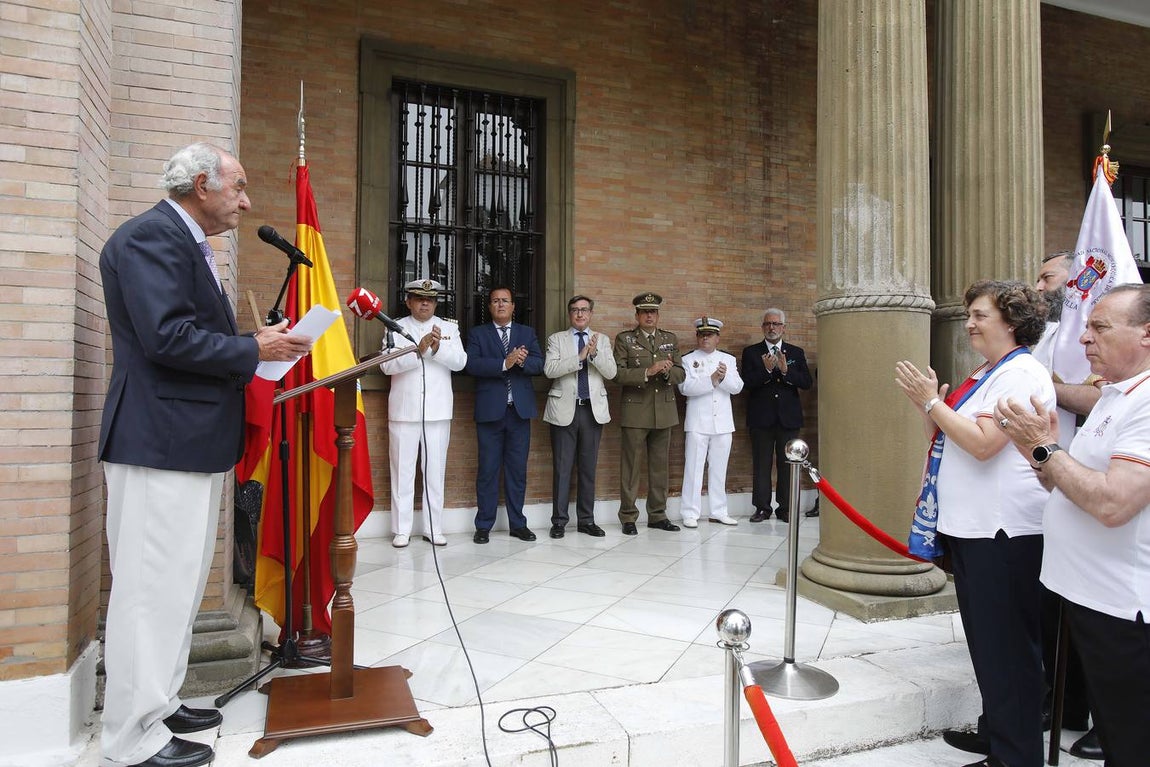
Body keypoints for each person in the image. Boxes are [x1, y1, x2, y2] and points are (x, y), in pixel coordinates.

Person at [98, 143, 313, 767]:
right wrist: (253, 350)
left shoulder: (185, 241)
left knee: (178, 588)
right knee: (149, 593)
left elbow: (191, 335)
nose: (245, 202)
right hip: (158, 441)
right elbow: (166, 338)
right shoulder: (152, 237)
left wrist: (254, 344)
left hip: (185, 441)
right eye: (238, 187)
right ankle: (132, 737)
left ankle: (161, 704)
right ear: (201, 184)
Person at [896, 280, 1055, 767]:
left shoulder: (1020, 374)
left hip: (1002, 530)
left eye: (979, 315)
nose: (969, 324)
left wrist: (932, 403)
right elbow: (950, 436)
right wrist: (929, 407)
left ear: (1012, 322)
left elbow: (985, 445)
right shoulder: (988, 372)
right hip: (974, 527)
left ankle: (1015, 756)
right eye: (969, 315)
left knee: (1008, 648)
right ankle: (997, 735)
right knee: (990, 646)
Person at [996, 284, 1150, 767]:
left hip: (1123, 607)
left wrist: (1046, 450)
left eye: (1099, 327)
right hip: (1084, 594)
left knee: (1132, 744)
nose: (1084, 338)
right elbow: (1066, 484)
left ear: (1147, 334)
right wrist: (1039, 452)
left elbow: (1112, 504)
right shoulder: (1112, 395)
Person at [1030, 250, 1104, 760]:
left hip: (1094, 485)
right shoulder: (1050, 334)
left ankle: (1108, 715)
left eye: (1047, 277)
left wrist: (1047, 388)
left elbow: (1098, 397)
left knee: (1102, 619)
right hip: (1056, 484)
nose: (1039, 286)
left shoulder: (1102, 342)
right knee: (1059, 610)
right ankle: (1066, 703)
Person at [379, 279, 467, 548]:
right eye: (419, 299)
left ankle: (433, 527)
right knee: (402, 473)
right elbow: (386, 366)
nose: (425, 303)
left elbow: (461, 362)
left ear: (436, 303)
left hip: (437, 412)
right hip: (404, 411)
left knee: (434, 473)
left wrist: (437, 348)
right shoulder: (395, 327)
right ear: (409, 302)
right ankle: (401, 530)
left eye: (430, 299)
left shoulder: (449, 328)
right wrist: (417, 350)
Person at [466, 287, 543, 543]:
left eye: (505, 301)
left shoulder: (526, 333)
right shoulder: (478, 334)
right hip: (490, 413)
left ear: (513, 306)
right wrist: (504, 363)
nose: (500, 305)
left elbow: (539, 364)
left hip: (519, 413)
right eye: (495, 301)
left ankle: (518, 524)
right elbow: (471, 364)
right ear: (489, 306)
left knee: (517, 471)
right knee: (487, 471)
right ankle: (483, 525)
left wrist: (521, 361)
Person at [543, 295, 617, 538]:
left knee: (588, 468)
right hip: (564, 410)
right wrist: (579, 357)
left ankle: (586, 520)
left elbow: (611, 372)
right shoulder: (556, 339)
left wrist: (594, 355)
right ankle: (559, 522)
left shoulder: (602, 340)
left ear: (591, 314)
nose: (580, 314)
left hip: (592, 411)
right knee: (562, 468)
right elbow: (549, 369)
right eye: (575, 310)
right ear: (569, 314)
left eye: (584, 310)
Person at [613, 292, 686, 535]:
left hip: (664, 410)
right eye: (644, 312)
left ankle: (657, 515)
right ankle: (628, 517)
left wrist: (666, 373)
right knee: (631, 468)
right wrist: (648, 371)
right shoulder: (625, 339)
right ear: (637, 315)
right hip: (635, 411)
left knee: (660, 467)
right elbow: (617, 374)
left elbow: (681, 373)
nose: (649, 316)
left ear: (658, 315)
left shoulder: (669, 339)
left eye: (653, 312)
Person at [742, 309, 812, 522]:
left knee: (788, 465)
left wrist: (785, 371)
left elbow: (806, 382)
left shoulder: (796, 352)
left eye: (775, 324)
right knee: (761, 465)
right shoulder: (751, 352)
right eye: (767, 324)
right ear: (762, 327)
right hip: (761, 418)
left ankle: (786, 508)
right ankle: (762, 508)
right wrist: (765, 371)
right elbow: (746, 383)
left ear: (783, 327)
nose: (771, 327)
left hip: (788, 419)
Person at [678, 317, 744, 527]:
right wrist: (712, 379)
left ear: (717, 338)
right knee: (693, 469)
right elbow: (685, 388)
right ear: (697, 337)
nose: (705, 338)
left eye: (710, 335)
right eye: (701, 334)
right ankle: (690, 512)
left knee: (719, 469)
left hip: (722, 422)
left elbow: (737, 387)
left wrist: (722, 378)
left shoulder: (728, 359)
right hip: (697, 423)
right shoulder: (688, 359)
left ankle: (718, 511)